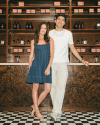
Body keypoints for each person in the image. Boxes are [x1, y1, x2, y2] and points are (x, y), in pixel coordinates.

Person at [48, 13, 89, 121]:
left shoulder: (68, 34)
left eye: (62, 20)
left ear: (65, 22)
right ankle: (57, 111)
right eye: (58, 19)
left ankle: (56, 111)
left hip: (62, 64)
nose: (60, 21)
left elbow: (72, 48)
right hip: (51, 63)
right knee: (52, 88)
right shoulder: (50, 33)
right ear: (55, 21)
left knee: (61, 87)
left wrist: (81, 60)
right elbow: (43, 47)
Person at [26, 22, 54, 119]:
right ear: (38, 29)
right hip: (36, 65)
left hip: (46, 65)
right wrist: (30, 66)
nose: (43, 30)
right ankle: (37, 111)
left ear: (47, 30)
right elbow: (31, 54)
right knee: (35, 87)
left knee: (48, 89)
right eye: (42, 28)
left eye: (45, 28)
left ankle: (34, 105)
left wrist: (48, 67)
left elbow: (52, 55)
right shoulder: (33, 41)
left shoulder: (50, 40)